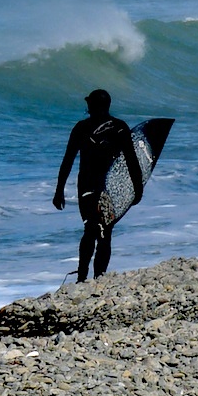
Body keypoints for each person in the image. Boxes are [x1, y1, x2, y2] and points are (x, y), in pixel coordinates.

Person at [53, 89, 143, 282]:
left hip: (86, 186)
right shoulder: (120, 127)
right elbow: (131, 161)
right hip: (108, 188)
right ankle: (99, 277)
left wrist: (59, 190)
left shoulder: (81, 128)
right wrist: (137, 189)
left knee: (90, 229)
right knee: (105, 232)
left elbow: (67, 160)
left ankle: (82, 277)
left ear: (92, 105)